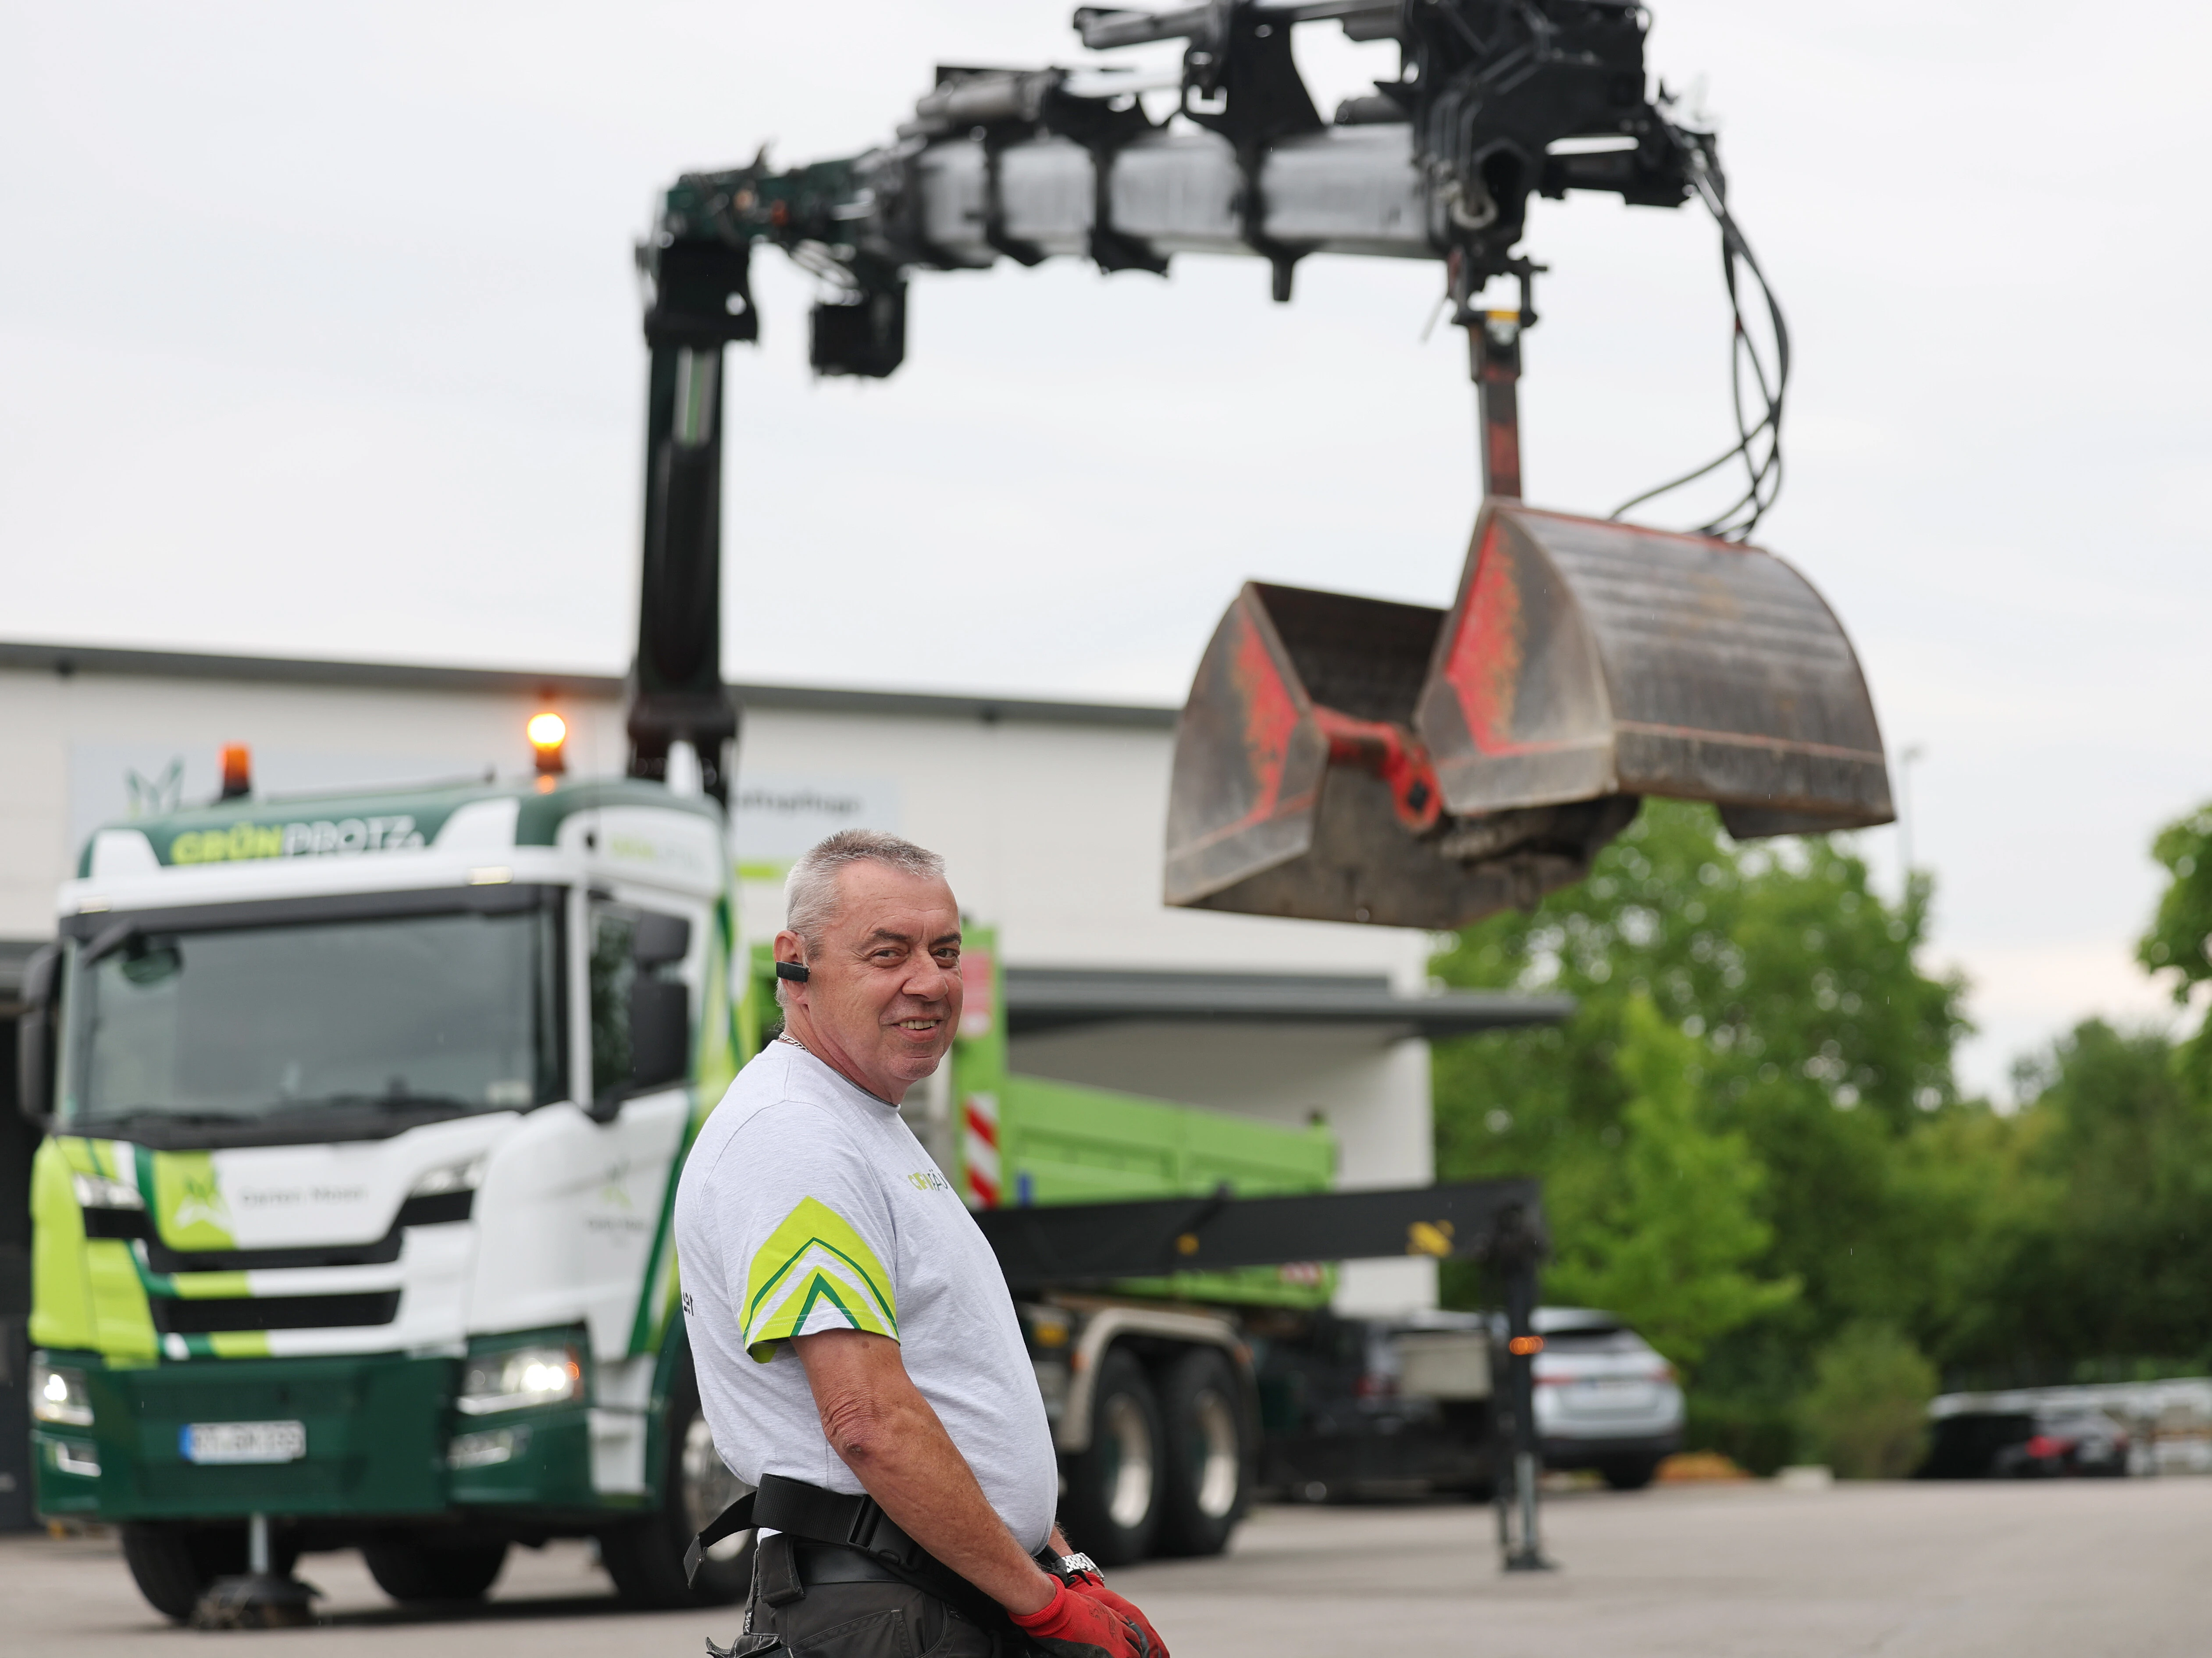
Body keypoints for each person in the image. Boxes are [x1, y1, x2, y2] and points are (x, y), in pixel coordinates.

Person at [674, 829, 1168, 1658]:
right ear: (795, 962)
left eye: (946, 951)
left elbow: (953, 1388)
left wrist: (1059, 1562)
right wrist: (1044, 1605)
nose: (931, 980)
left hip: (925, 1599)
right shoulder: (795, 1136)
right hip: (886, 1611)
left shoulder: (860, 1123)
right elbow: (866, 1419)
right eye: (888, 952)